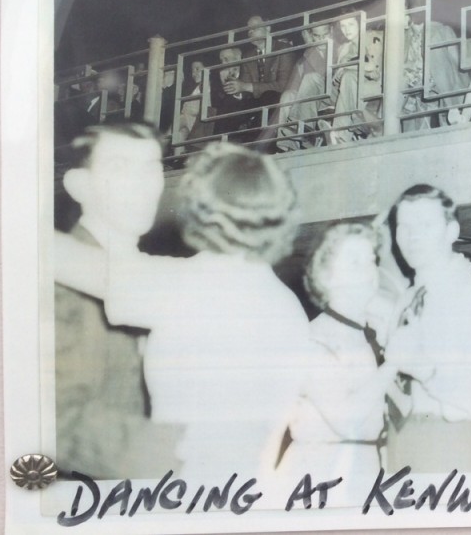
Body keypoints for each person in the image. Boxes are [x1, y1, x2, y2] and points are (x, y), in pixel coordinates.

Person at [54, 143, 312, 482]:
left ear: (198, 210)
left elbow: (58, 258)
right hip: (252, 490)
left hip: (186, 487)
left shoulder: (188, 286)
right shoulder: (287, 306)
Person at [54, 123, 183, 479]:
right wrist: (183, 454)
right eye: (118, 168)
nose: (140, 184)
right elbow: (54, 419)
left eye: (150, 167)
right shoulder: (61, 286)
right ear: (79, 185)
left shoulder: (150, 273)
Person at [383, 185, 471, 472]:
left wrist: (427, 370)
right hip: (400, 440)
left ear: (451, 231)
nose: (412, 236)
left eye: (425, 225)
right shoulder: (406, 300)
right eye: (404, 226)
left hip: (453, 442)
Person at [277, 223, 397, 503]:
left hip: (365, 467)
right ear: (326, 276)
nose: (369, 270)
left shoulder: (369, 332)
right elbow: (347, 420)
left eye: (371, 260)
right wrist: (393, 364)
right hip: (320, 472)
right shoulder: (314, 340)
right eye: (355, 262)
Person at [276, 21, 333, 150]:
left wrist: (310, 48)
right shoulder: (304, 58)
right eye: (317, 36)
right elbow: (295, 87)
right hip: (310, 100)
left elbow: (327, 77)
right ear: (311, 35)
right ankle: (286, 145)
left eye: (325, 34)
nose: (321, 39)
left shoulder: (338, 49)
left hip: (333, 94)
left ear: (332, 32)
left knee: (310, 77)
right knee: (287, 95)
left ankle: (302, 128)